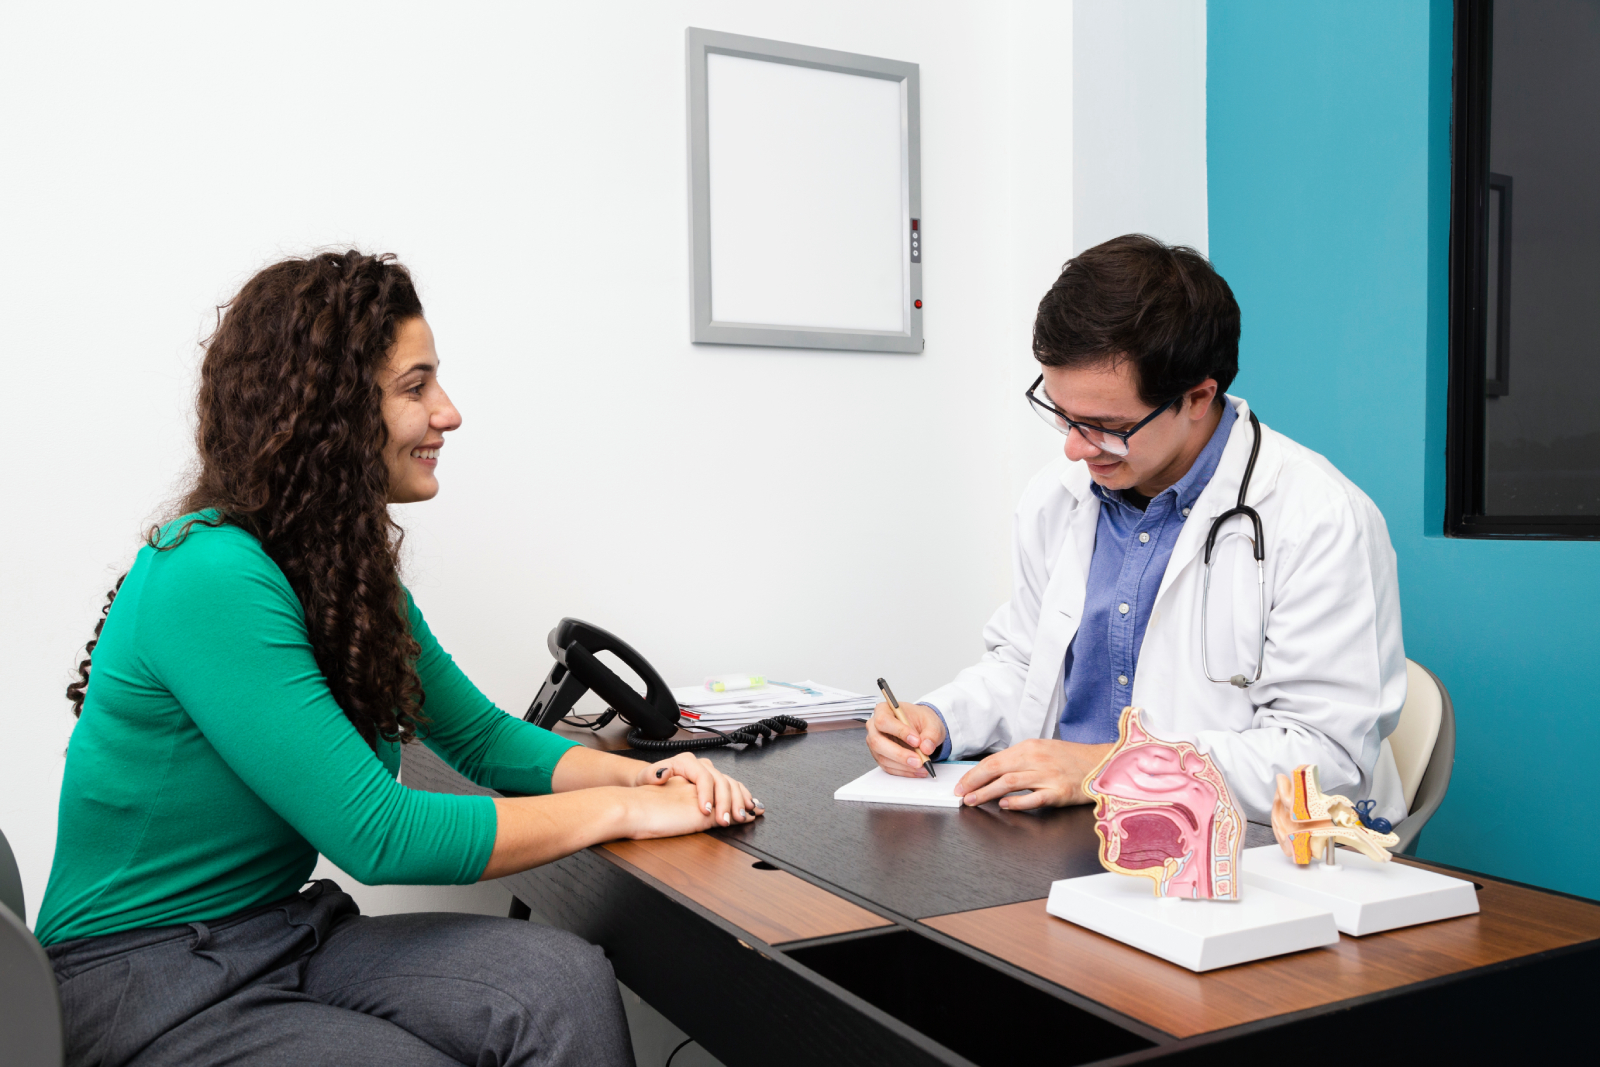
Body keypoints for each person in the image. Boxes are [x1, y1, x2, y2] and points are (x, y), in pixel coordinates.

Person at [36, 251, 759, 1067]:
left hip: (280, 929)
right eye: (416, 387)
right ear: (329, 411)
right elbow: (381, 834)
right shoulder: (209, 574)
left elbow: (482, 738)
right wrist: (623, 812)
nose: (449, 413)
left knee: (559, 981)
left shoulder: (341, 572)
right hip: (138, 979)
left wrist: (647, 779)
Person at [866, 235, 1408, 827]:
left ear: (1198, 397)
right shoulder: (1059, 496)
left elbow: (1324, 756)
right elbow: (1027, 664)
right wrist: (940, 720)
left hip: (1235, 847)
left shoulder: (1318, 518)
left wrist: (1109, 768)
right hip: (1067, 831)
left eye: (1106, 425)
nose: (1075, 449)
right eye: (1062, 414)